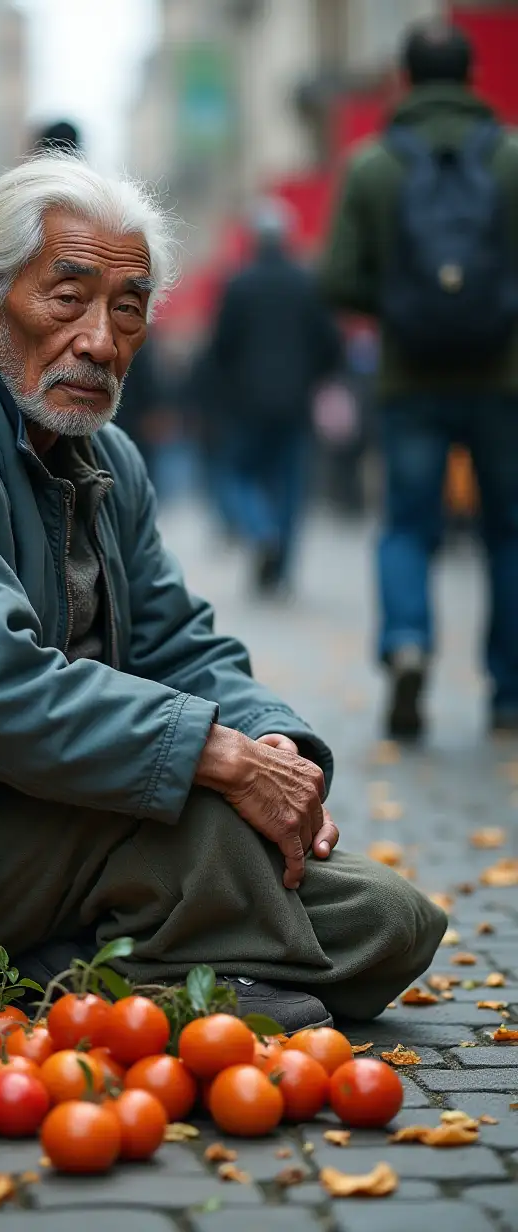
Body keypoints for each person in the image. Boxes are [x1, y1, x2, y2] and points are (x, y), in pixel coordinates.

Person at [0, 156, 446, 1030]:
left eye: (128, 309)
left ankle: (104, 967)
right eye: (66, 298)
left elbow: (178, 641)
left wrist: (275, 746)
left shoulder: (103, 453)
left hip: (45, 807)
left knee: (390, 921)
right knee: (219, 837)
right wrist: (217, 759)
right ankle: (124, 973)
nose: (101, 341)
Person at [321, 21, 518, 737]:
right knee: (508, 532)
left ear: (402, 79)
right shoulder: (509, 158)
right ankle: (509, 692)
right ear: (471, 77)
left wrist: (402, 308)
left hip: (411, 380)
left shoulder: (373, 165)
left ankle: (407, 644)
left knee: (407, 525)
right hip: (504, 379)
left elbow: (337, 276)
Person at [212, 200, 344, 592]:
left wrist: (229, 387)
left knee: (238, 473)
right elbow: (330, 344)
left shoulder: (239, 283)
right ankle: (281, 567)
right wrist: (311, 378)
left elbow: (222, 346)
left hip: (248, 402)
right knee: (290, 484)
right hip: (295, 401)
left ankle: (258, 528)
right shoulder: (307, 283)